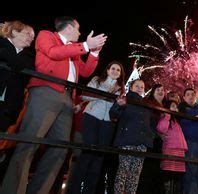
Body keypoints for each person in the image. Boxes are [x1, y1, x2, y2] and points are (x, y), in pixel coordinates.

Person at [0, 16, 106, 194]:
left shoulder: (73, 50)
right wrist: (86, 46)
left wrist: (94, 52)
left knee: (60, 149)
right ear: (68, 28)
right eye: (78, 29)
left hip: (67, 98)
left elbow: (86, 71)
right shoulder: (46, 35)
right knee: (30, 142)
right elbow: (53, 53)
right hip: (45, 92)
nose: (80, 33)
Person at [66, 61, 125, 194]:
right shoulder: (97, 80)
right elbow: (86, 95)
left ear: (120, 74)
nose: (115, 71)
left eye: (118, 70)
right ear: (108, 70)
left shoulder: (120, 88)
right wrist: (106, 95)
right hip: (92, 117)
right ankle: (73, 190)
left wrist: (120, 105)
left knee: (98, 159)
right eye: (113, 68)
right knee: (87, 153)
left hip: (107, 123)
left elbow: (116, 112)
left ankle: (89, 190)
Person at [109, 79, 155, 194]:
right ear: (131, 88)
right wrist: (118, 106)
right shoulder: (125, 99)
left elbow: (152, 123)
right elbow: (113, 115)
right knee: (123, 171)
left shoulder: (146, 105)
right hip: (127, 140)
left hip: (142, 142)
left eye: (142, 87)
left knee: (135, 174)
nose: (140, 88)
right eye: (137, 86)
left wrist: (150, 135)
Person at [0, 21, 35, 132]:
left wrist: (9, 57)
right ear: (14, 32)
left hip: (9, 107)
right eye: (28, 34)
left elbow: (28, 70)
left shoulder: (28, 57)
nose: (32, 38)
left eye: (33, 37)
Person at [157, 100, 188, 194]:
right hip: (170, 150)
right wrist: (167, 115)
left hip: (180, 151)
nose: (175, 108)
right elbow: (161, 128)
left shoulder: (176, 121)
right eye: (173, 106)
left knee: (177, 177)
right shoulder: (165, 119)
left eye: (176, 107)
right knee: (169, 175)